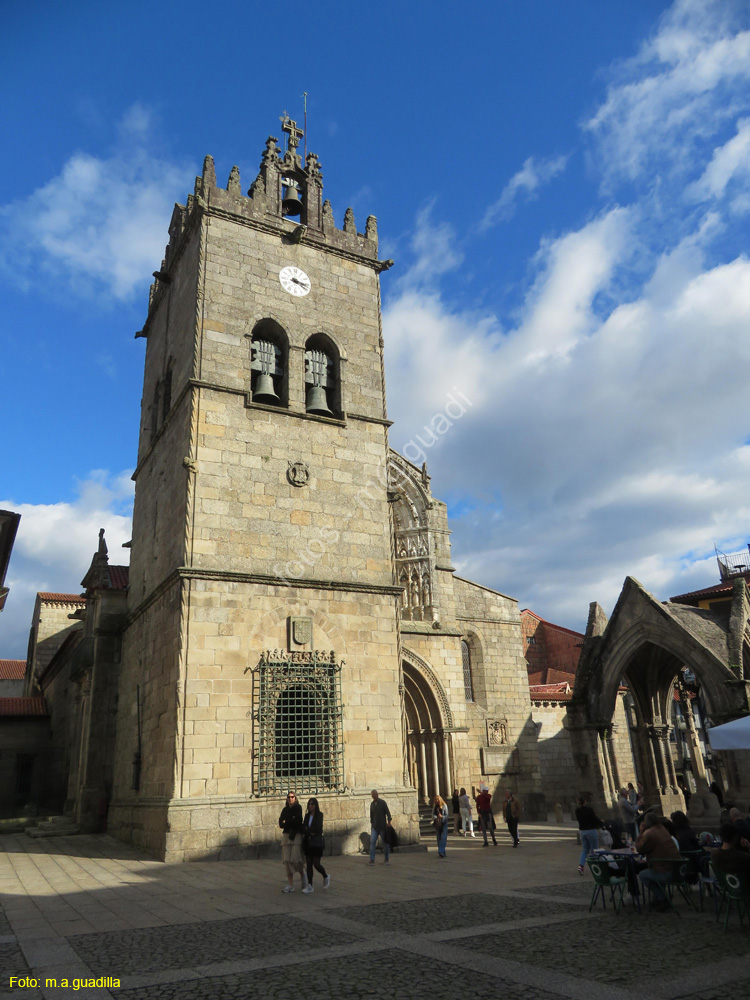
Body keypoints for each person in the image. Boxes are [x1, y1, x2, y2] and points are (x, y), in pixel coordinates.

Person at [636, 813, 680, 910]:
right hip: (677, 869)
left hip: (666, 870)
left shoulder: (649, 833)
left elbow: (640, 849)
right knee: (652, 870)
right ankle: (658, 898)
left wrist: (641, 831)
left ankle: (662, 897)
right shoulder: (663, 829)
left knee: (643, 875)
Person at [301, 797, 330, 893]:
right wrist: (309, 831)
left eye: (312, 804)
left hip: (316, 842)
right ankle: (310, 885)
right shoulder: (307, 816)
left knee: (316, 864)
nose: (310, 806)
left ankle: (326, 876)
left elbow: (317, 828)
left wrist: (308, 830)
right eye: (309, 804)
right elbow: (304, 827)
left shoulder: (319, 815)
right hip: (308, 842)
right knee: (309, 863)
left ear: (315, 805)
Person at [279, 791, 306, 893]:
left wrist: (288, 821)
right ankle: (290, 884)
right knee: (287, 860)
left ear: (295, 798)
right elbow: (281, 823)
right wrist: (290, 821)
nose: (290, 799)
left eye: (292, 797)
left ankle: (303, 875)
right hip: (286, 836)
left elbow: (298, 821)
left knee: (296, 858)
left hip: (295, 836)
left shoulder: (298, 808)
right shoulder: (285, 809)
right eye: (289, 797)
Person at [575, 795, 603, 875]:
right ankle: (595, 867)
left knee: (585, 850)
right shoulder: (589, 809)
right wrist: (601, 823)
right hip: (591, 830)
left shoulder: (577, 810)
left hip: (582, 831)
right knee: (594, 849)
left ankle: (581, 866)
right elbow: (594, 818)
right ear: (585, 801)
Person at [368, 789, 392, 864]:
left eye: (375, 794)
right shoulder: (372, 804)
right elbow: (371, 816)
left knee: (385, 843)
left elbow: (388, 813)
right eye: (373, 795)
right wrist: (372, 825)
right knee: (372, 842)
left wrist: (389, 822)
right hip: (375, 827)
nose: (374, 796)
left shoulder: (382, 803)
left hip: (382, 826)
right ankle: (372, 859)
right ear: (372, 796)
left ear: (377, 795)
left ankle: (386, 858)